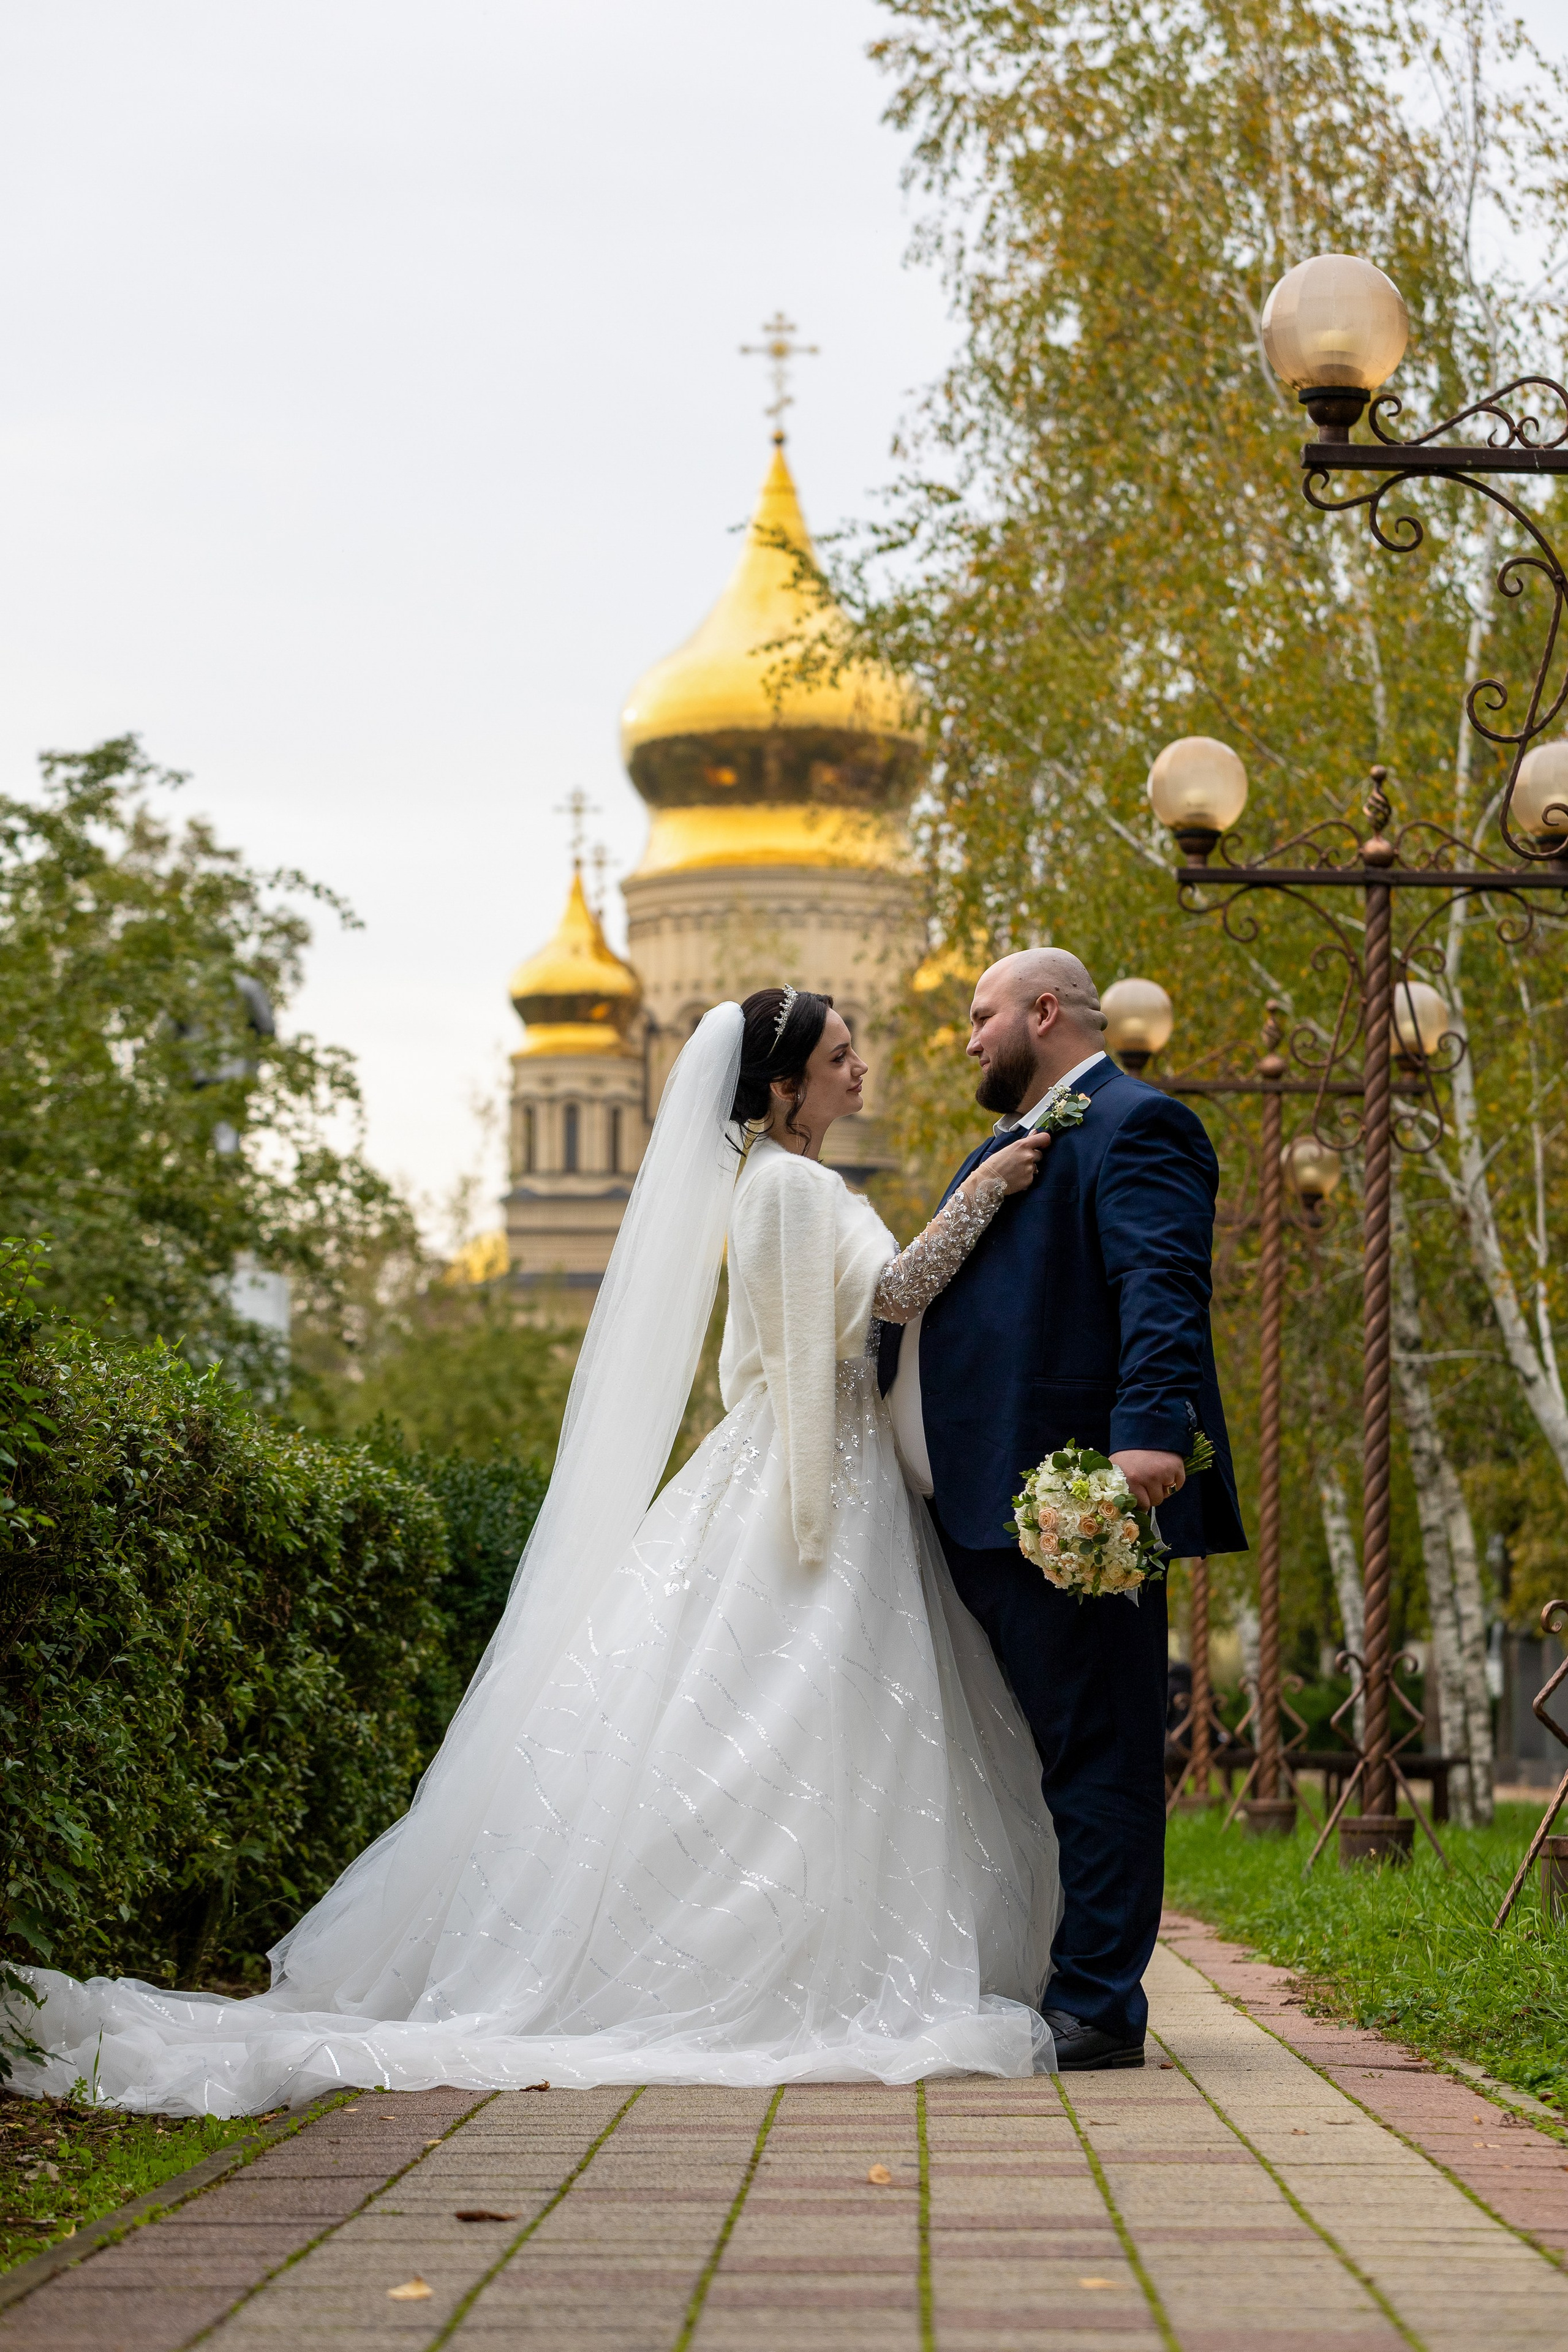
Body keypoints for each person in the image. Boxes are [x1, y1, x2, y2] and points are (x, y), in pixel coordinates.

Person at [14, 991, 1061, 2114]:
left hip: (806, 1463)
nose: (861, 1070)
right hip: (817, 1476)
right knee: (800, 1701)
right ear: (782, 1087)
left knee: (787, 1706)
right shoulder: (794, 1189)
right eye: (840, 1057)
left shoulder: (776, 1181)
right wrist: (981, 1195)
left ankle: (806, 1932)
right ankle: (789, 1952)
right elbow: (892, 1297)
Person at [881, 949, 1246, 2071]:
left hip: (1077, 1499)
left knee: (1100, 1751)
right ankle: (1046, 1972)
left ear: (1045, 1012)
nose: (969, 1038)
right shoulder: (1011, 1142)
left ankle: (1098, 2005)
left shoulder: (1140, 1125)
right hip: (981, 1505)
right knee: (1031, 1755)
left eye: (981, 1015)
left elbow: (1160, 1282)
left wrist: (1147, 1435)